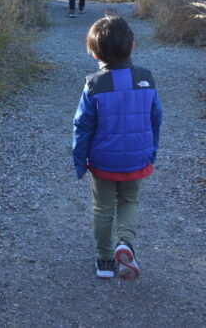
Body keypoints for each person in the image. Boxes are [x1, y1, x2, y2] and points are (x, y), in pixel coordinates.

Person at [72, 15, 162, 280]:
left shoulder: (94, 84)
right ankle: (125, 243)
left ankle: (104, 261)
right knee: (129, 200)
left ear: (93, 52)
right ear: (132, 45)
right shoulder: (146, 79)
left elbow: (82, 126)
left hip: (102, 161)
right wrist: (151, 152)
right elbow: (156, 118)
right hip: (137, 158)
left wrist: (79, 162)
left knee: (102, 208)